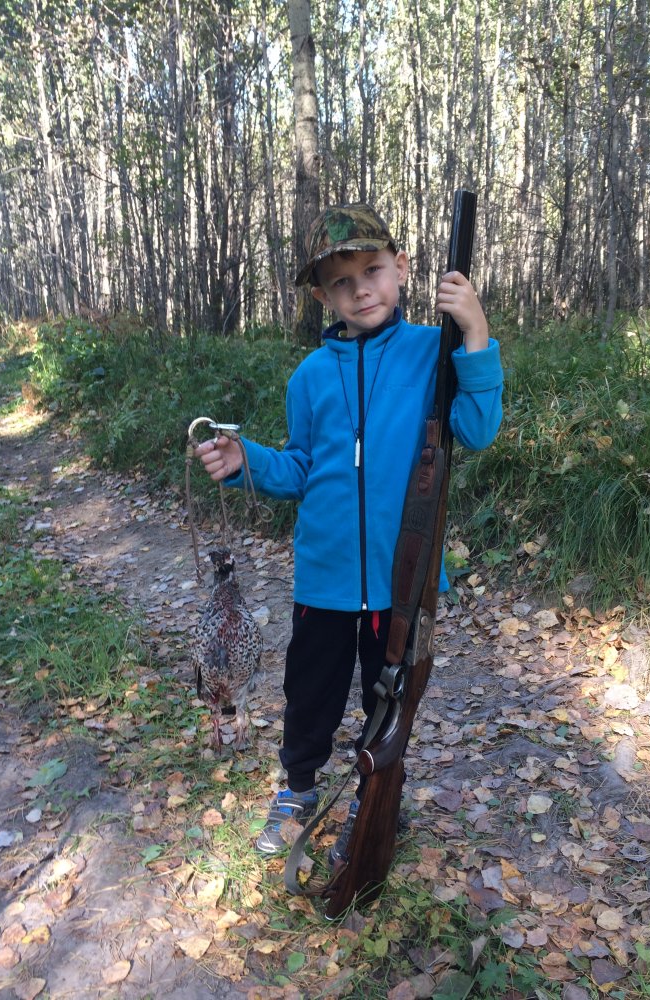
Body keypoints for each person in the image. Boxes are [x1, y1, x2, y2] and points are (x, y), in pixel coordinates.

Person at [194, 203, 503, 859]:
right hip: (325, 579)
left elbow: (477, 430)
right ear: (321, 297)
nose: (361, 289)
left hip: (402, 579)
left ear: (402, 269)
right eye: (342, 281)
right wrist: (246, 461)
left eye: (373, 270)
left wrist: (475, 331)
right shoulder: (309, 377)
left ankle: (375, 797)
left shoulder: (434, 353)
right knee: (310, 695)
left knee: (387, 702)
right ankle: (298, 790)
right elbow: (300, 468)